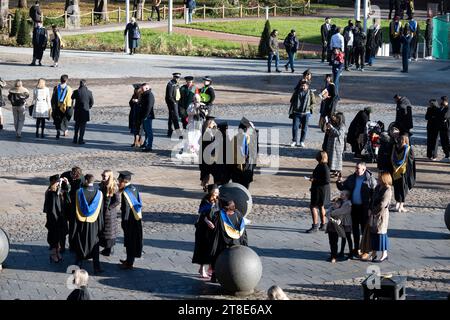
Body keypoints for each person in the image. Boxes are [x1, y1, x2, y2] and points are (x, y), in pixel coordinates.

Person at [336, 162, 377, 258]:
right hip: (353, 207)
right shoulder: (352, 178)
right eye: (356, 168)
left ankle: (365, 250)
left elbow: (374, 196)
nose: (357, 170)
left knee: (364, 230)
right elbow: (343, 187)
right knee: (354, 229)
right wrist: (339, 181)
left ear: (364, 169)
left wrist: (371, 208)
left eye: (359, 168)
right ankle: (356, 248)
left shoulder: (370, 179)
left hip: (364, 208)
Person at [72, 174, 104, 274]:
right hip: (94, 222)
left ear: (86, 180)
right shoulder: (99, 193)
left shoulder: (79, 192)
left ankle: (78, 265)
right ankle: (96, 267)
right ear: (93, 181)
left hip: (81, 222)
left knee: (80, 242)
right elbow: (101, 211)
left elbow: (74, 208)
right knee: (94, 243)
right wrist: (100, 225)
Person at [210, 199, 248, 282]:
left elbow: (214, 229)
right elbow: (243, 231)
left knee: (218, 257)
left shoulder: (219, 215)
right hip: (236, 242)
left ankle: (215, 274)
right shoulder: (238, 214)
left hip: (223, 243)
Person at [192, 184, 219, 278]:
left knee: (212, 248)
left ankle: (211, 268)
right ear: (211, 192)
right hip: (203, 228)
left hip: (213, 228)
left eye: (217, 191)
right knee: (203, 247)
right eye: (215, 192)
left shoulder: (217, 200)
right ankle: (202, 268)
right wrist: (208, 222)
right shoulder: (205, 201)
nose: (217, 193)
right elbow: (202, 214)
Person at [118, 171, 143, 270]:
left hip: (129, 221)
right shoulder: (134, 188)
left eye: (119, 180)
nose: (118, 182)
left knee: (129, 241)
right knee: (132, 241)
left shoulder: (125, 192)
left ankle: (129, 263)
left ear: (123, 181)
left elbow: (126, 209)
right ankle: (129, 260)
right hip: (136, 218)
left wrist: (124, 222)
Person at [44, 174, 70, 263]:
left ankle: (57, 253)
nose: (59, 184)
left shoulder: (59, 192)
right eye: (58, 182)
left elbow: (67, 197)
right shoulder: (50, 193)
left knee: (60, 238)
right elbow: (52, 210)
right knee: (54, 239)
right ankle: (53, 254)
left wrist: (66, 184)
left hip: (61, 219)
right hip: (54, 220)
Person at [368, 172, 393, 262]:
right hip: (374, 214)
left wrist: (374, 211)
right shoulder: (378, 187)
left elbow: (383, 204)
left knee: (381, 234)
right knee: (374, 233)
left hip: (381, 215)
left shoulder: (387, 190)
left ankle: (384, 254)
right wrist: (370, 209)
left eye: (379, 178)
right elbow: (373, 199)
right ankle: (374, 253)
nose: (377, 179)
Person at [61, 166, 84, 252]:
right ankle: (62, 246)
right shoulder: (65, 175)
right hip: (65, 205)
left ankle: (72, 246)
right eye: (74, 177)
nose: (75, 179)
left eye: (76, 178)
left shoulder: (81, 179)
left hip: (74, 206)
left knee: (73, 228)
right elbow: (61, 189)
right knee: (62, 227)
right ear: (72, 173)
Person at [231, 117, 258, 189]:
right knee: (245, 190)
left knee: (236, 188)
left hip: (236, 169)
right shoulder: (251, 140)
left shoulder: (234, 139)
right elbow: (255, 153)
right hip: (246, 169)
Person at [307, 151, 330, 233]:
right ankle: (323, 224)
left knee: (313, 206)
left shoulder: (324, 167)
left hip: (320, 190)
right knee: (321, 206)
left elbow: (327, 180)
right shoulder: (321, 165)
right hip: (319, 189)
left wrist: (315, 180)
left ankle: (315, 226)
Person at [325, 191, 352, 263]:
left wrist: (330, 216)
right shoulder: (340, 202)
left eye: (342, 194)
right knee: (335, 241)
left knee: (346, 238)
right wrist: (329, 213)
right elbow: (329, 210)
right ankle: (337, 253)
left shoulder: (347, 204)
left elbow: (340, 215)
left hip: (342, 225)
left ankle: (349, 253)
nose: (341, 195)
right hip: (334, 226)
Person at [391, 134, 416, 212]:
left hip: (395, 171)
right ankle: (401, 206)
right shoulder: (408, 149)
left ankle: (397, 204)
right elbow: (411, 162)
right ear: (406, 140)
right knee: (403, 189)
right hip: (403, 172)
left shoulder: (394, 148)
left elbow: (391, 159)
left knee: (397, 188)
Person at [288, 80, 316, 148]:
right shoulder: (297, 92)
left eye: (304, 86)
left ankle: (302, 141)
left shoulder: (310, 93)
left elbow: (313, 102)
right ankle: (294, 141)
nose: (303, 87)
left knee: (304, 128)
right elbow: (291, 100)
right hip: (297, 113)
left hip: (306, 113)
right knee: (295, 127)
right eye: (302, 85)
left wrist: (309, 108)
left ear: (307, 86)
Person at [99, 170, 120, 257]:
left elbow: (117, 201)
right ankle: (106, 249)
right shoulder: (102, 184)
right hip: (102, 211)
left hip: (109, 213)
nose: (103, 177)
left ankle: (109, 250)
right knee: (104, 230)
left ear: (109, 177)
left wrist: (109, 208)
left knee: (109, 232)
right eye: (102, 175)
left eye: (105, 176)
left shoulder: (113, 186)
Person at [71, 80, 94, 145]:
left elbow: (72, 97)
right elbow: (92, 102)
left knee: (77, 125)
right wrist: (88, 107)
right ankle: (80, 139)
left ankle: (75, 139)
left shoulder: (76, 91)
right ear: (85, 84)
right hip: (85, 111)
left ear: (80, 84)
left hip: (77, 111)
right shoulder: (89, 92)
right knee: (83, 126)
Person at [51, 74, 73, 139]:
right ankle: (65, 131)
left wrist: (53, 106)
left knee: (58, 118)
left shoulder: (56, 87)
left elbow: (53, 98)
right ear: (66, 80)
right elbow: (71, 99)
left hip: (57, 106)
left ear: (60, 80)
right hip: (66, 106)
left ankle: (58, 131)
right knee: (65, 119)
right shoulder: (69, 88)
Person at [325, 112, 346, 178]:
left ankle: (338, 173)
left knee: (337, 159)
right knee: (332, 158)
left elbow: (338, 133)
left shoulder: (342, 126)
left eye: (337, 118)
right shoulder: (335, 124)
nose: (335, 119)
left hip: (338, 146)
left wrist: (331, 128)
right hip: (332, 145)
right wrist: (328, 129)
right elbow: (331, 133)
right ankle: (335, 171)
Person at [139, 83, 155, 152]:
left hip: (147, 116)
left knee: (149, 131)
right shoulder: (145, 95)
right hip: (145, 115)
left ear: (147, 88)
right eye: (141, 89)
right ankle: (146, 143)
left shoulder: (149, 95)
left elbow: (148, 107)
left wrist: (145, 116)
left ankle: (149, 146)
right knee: (146, 131)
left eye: (142, 89)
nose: (141, 90)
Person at [165, 73, 181, 137]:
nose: (177, 79)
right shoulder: (170, 84)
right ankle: (178, 133)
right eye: (176, 77)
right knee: (175, 118)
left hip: (176, 102)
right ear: (173, 77)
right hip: (172, 103)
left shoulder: (176, 84)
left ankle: (169, 132)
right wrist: (174, 103)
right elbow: (169, 96)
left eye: (178, 78)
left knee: (171, 118)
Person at [438, 96, 450, 162]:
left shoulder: (448, 108)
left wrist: (442, 118)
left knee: (447, 142)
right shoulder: (442, 108)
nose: (441, 102)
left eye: (442, 101)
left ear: (446, 101)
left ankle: (448, 155)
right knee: (443, 142)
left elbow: (445, 116)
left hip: (447, 128)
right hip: (442, 128)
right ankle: (446, 155)